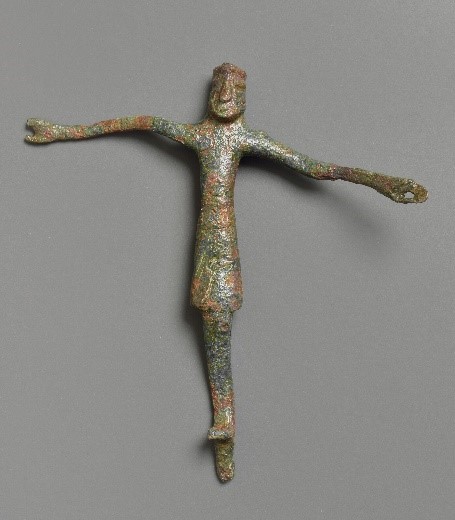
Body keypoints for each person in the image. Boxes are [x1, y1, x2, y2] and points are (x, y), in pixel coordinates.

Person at [25, 63, 428, 481]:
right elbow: (140, 123)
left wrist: (377, 180)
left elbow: (313, 167)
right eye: (220, 87)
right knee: (213, 319)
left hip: (221, 249)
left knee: (217, 319)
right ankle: (225, 422)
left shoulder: (245, 138)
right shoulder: (199, 135)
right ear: (210, 94)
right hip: (210, 247)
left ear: (244, 98)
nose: (225, 95)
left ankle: (225, 423)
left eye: (235, 89)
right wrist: (64, 131)